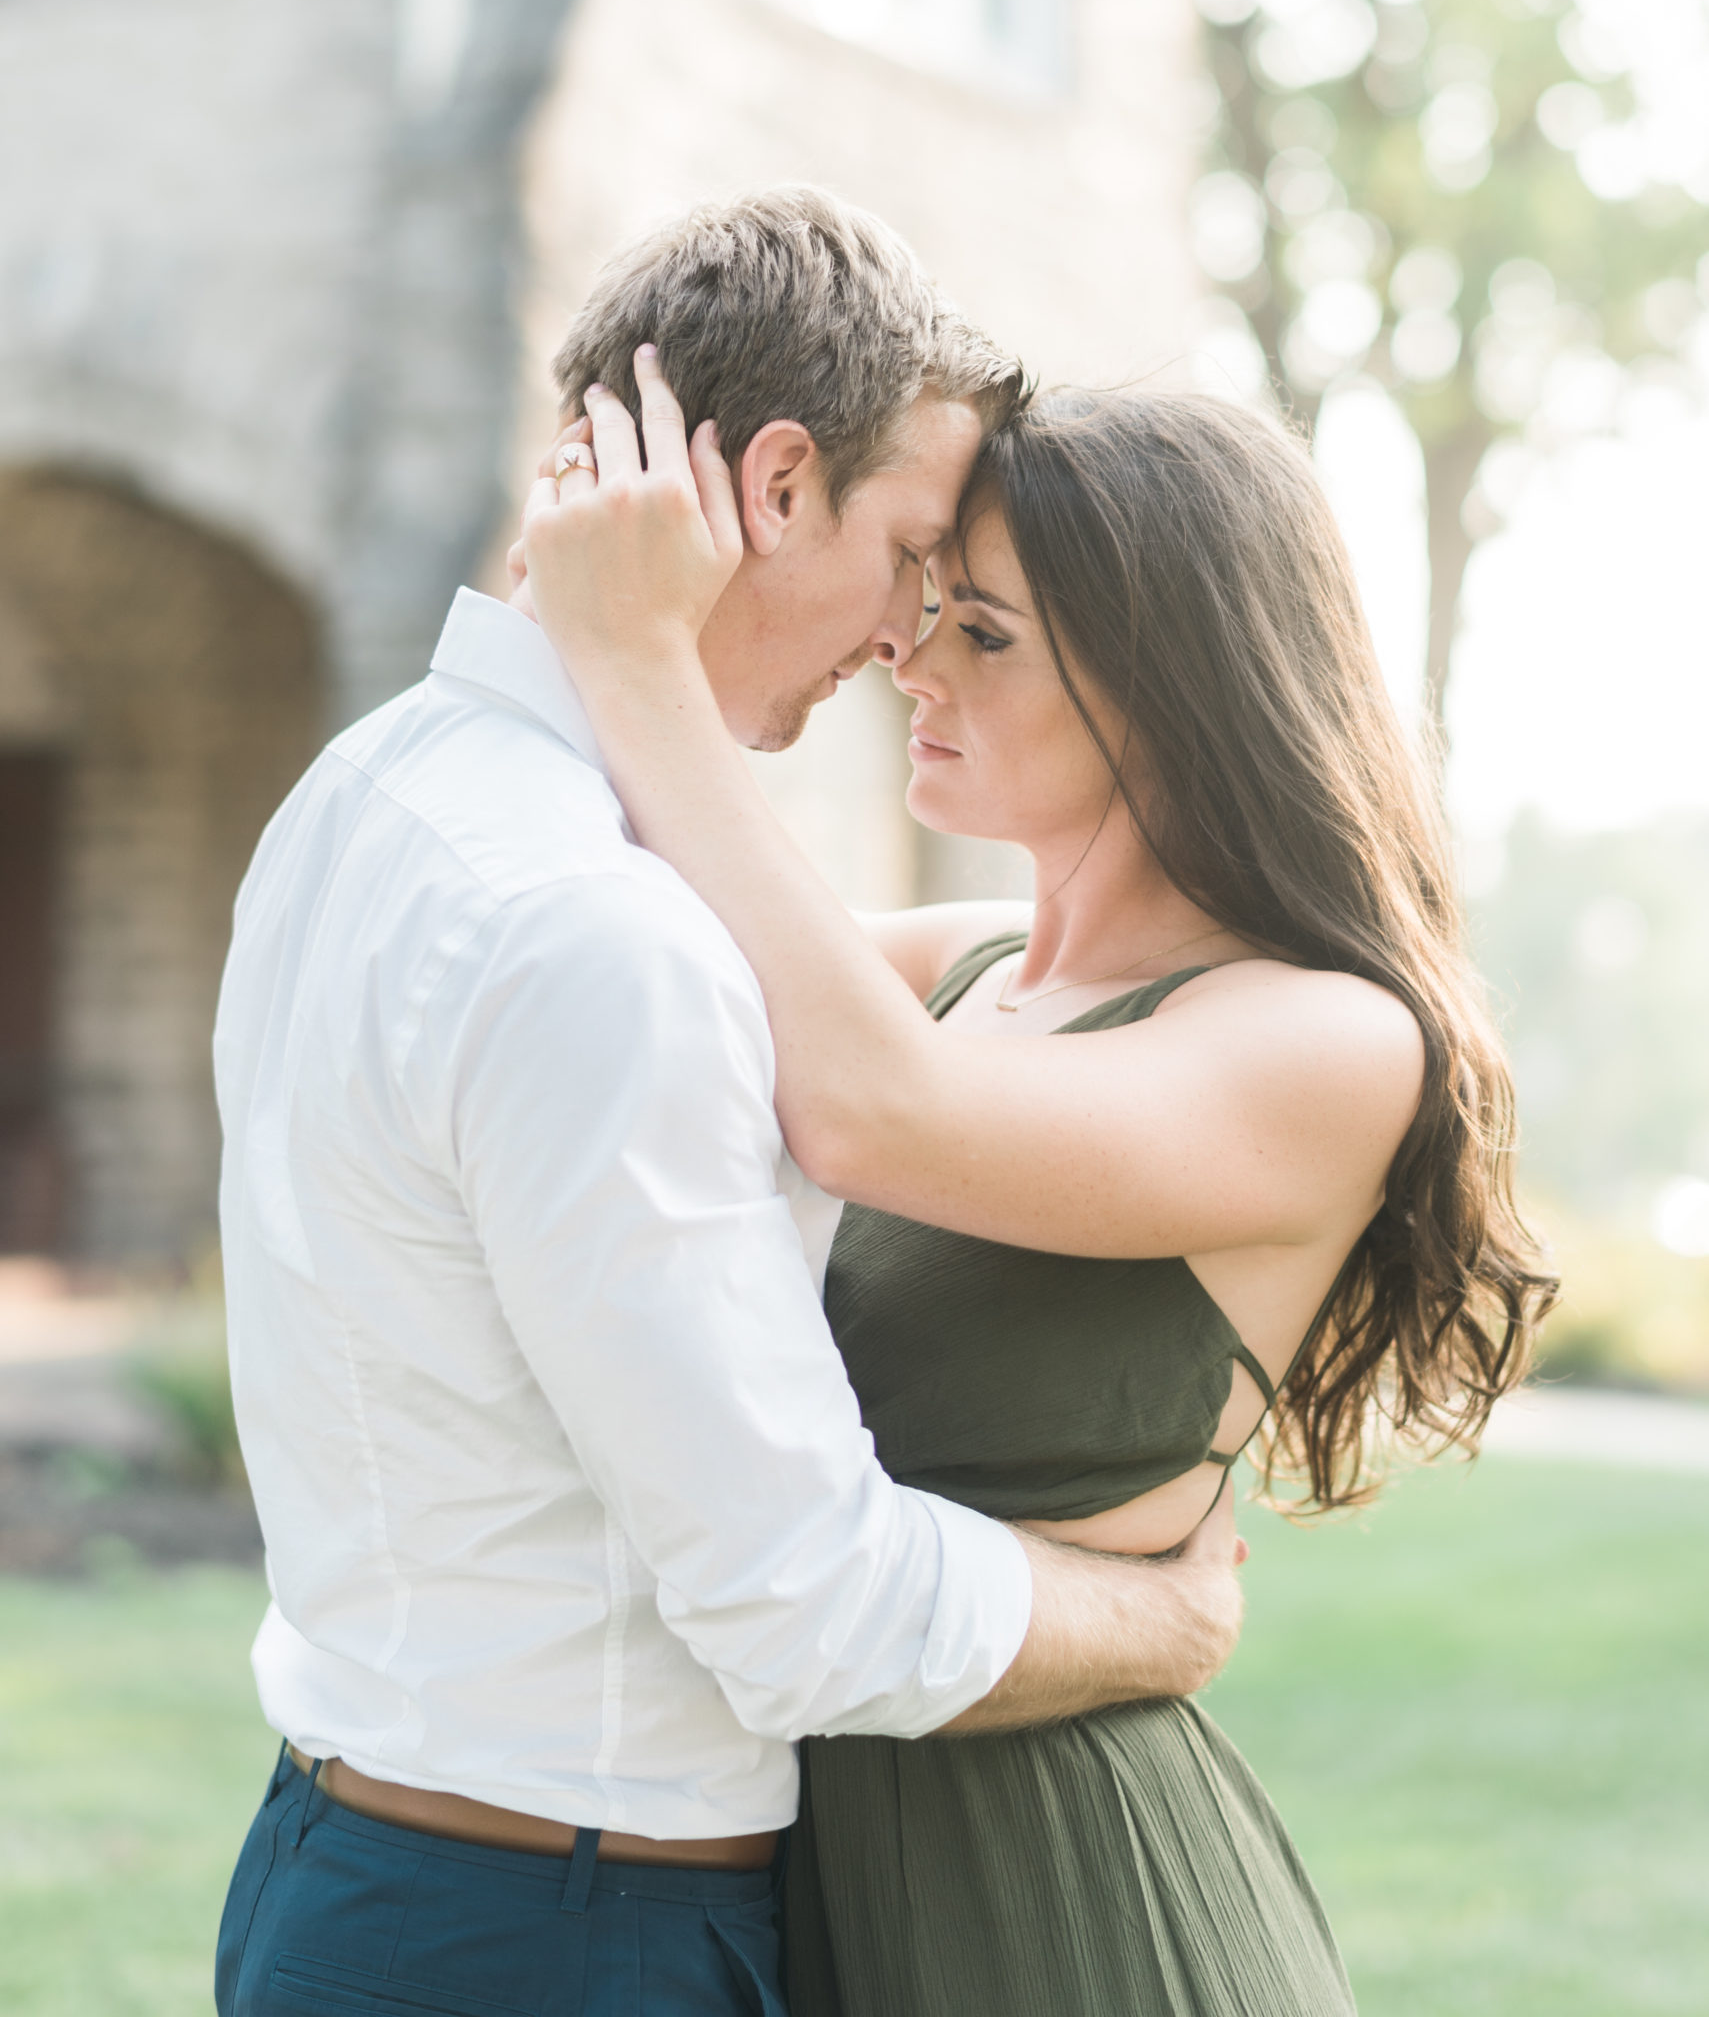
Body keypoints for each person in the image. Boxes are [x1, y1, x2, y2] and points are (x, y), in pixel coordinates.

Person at [211, 191, 1247, 2017]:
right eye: (915, 543)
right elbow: (804, 1603)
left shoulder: (362, 796)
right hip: (558, 1935)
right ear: (774, 489)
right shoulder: (598, 939)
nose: (913, 625)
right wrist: (1151, 1615)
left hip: (347, 1866)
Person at [519, 350, 1558, 2017]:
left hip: (1066, 1905)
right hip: (791, 1873)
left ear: (1178, 687)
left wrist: (637, 664)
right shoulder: (954, 972)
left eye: (981, 632)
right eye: (925, 604)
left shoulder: (1324, 1042)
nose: (906, 661)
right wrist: (630, 566)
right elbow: (572, 923)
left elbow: (875, 1117)